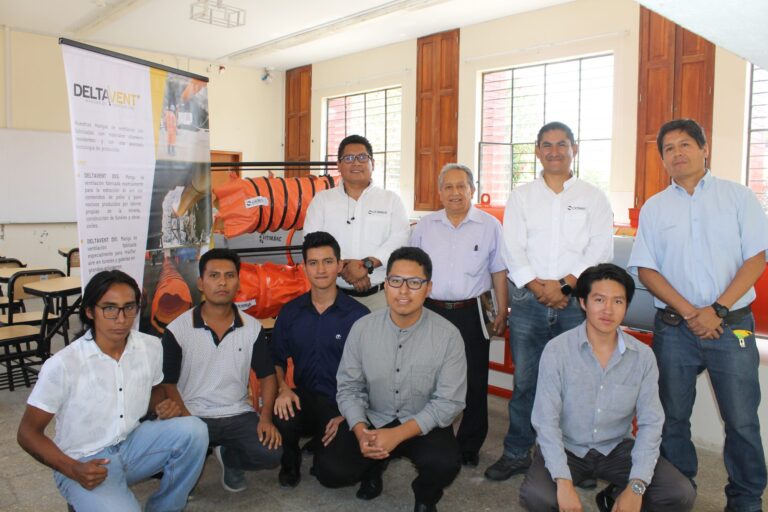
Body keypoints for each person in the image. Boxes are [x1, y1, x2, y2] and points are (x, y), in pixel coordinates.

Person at [628, 118, 768, 512]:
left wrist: (717, 310)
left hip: (733, 325)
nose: (678, 153)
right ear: (662, 158)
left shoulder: (739, 197)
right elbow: (646, 269)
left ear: (705, 149)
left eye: (685, 144)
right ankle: (679, 489)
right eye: (669, 148)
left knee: (741, 420)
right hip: (675, 328)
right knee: (670, 417)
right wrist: (693, 313)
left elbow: (757, 259)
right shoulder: (655, 208)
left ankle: (746, 499)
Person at [17, 270, 208, 512]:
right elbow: (27, 433)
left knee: (195, 430)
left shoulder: (150, 347)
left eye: (129, 307)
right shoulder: (64, 364)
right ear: (89, 312)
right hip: (83, 461)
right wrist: (72, 469)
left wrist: (161, 405)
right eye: (109, 308)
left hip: (132, 443)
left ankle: (165, 507)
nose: (121, 319)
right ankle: (84, 495)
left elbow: (156, 391)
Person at [486, 121, 614, 481]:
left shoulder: (593, 197)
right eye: (547, 145)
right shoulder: (522, 196)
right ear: (537, 151)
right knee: (526, 381)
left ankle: (579, 460)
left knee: (578, 382)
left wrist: (566, 285)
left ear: (574, 149)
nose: (554, 151)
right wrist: (539, 286)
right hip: (529, 301)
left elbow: (600, 248)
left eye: (562, 144)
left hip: (578, 305)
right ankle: (516, 452)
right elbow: (512, 245)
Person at [519, 263, 696, 512]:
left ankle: (616, 493)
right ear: (583, 302)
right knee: (539, 497)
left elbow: (651, 423)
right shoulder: (558, 350)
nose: (608, 310)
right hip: (568, 446)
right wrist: (563, 481)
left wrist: (636, 486)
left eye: (618, 302)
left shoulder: (643, 356)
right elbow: (545, 421)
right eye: (599, 299)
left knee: (679, 493)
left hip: (617, 448)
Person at [316, 247, 467, 512]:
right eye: (396, 281)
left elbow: (449, 402)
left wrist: (396, 435)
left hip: (422, 422)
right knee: (330, 471)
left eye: (415, 283)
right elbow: (349, 387)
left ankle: (425, 496)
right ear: (385, 285)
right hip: (375, 415)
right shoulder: (363, 328)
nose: (404, 291)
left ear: (428, 287)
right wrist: (360, 429)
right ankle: (372, 470)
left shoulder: (448, 336)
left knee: (445, 463)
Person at [159, 248, 282, 494]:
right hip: (191, 412)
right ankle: (188, 465)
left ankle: (229, 457)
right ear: (201, 283)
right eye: (214, 276)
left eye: (229, 275)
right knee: (156, 458)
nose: (222, 282)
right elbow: (168, 384)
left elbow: (267, 376)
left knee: (271, 453)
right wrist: (186, 419)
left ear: (238, 281)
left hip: (236, 412)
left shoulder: (252, 327)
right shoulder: (177, 329)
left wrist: (266, 417)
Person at [410, 163, 508, 467]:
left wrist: (502, 311)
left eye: (461, 186)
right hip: (431, 312)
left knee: (474, 380)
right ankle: (430, 436)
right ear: (440, 192)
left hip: (472, 313)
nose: (455, 193)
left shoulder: (490, 225)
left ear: (472, 190)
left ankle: (469, 444)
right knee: (428, 378)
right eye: (448, 187)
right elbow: (412, 271)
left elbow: (499, 271)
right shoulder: (423, 227)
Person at [271, 231, 370, 487]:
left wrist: (352, 414)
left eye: (328, 261)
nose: (321, 269)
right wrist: (282, 388)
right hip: (305, 400)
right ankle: (290, 459)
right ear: (304, 268)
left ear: (339, 266)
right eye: (313, 263)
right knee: (282, 410)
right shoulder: (291, 312)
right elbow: (277, 358)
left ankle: (339, 454)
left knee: (333, 474)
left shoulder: (359, 316)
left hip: (343, 404)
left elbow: (375, 373)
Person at [303, 134, 409, 310]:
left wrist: (366, 265)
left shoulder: (391, 200)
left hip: (380, 298)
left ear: (372, 163)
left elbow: (400, 238)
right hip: (333, 297)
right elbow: (311, 240)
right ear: (338, 165)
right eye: (349, 158)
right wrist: (345, 268)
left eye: (362, 157)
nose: (356, 163)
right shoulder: (322, 200)